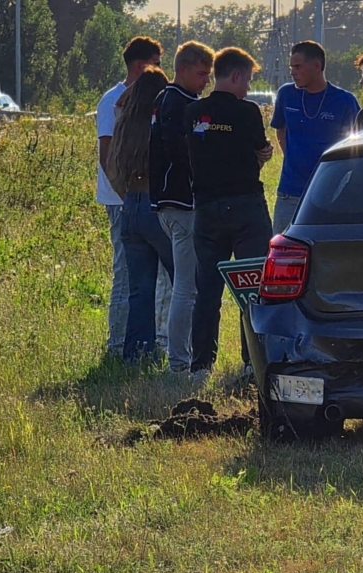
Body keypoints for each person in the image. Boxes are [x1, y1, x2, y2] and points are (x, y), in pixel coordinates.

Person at [185, 47, 274, 378]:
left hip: (207, 208)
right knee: (253, 286)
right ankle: (252, 362)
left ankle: (201, 365)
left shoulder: (193, 112)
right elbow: (260, 147)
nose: (248, 88)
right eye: (248, 80)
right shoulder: (248, 112)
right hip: (245, 206)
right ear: (235, 76)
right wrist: (261, 155)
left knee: (207, 289)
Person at [149, 41, 215, 375]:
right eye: (203, 74)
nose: (206, 81)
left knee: (182, 285)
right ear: (184, 69)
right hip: (181, 202)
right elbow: (182, 152)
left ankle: (180, 354)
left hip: (167, 203)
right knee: (186, 288)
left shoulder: (167, 99)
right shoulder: (179, 103)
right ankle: (179, 362)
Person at [96, 36, 163, 359]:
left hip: (134, 200)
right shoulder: (114, 100)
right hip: (121, 200)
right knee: (126, 275)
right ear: (142, 65)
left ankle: (141, 344)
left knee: (142, 277)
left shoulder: (143, 101)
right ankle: (117, 343)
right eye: (157, 63)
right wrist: (127, 196)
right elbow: (107, 152)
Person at [108, 66, 176, 363]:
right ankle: (179, 350)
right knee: (183, 281)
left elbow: (111, 168)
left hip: (130, 204)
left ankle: (135, 353)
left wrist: (128, 196)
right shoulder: (159, 122)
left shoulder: (125, 124)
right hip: (156, 204)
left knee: (139, 290)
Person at [270, 41, 360, 234]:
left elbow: (356, 144)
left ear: (317, 66)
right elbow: (281, 129)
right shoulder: (286, 94)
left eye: (298, 67)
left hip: (330, 195)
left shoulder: (344, 101)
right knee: (282, 252)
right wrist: (292, 156)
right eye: (291, 67)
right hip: (290, 192)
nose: (293, 72)